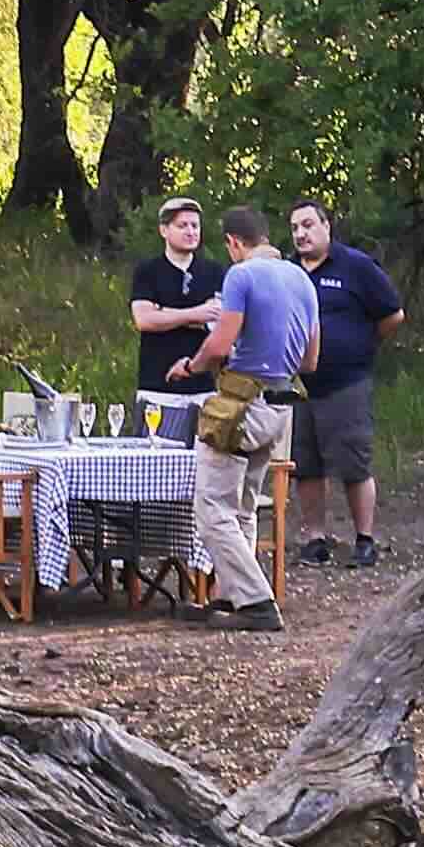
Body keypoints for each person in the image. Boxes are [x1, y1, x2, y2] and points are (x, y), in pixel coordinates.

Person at [182, 222, 307, 626]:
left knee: (212, 507)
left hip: (242, 405)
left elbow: (219, 344)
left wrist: (191, 366)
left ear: (234, 243)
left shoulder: (241, 274)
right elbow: (311, 360)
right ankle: (235, 596)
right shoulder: (302, 278)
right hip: (281, 404)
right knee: (244, 506)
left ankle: (256, 602)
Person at [279, 197, 403, 566]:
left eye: (308, 225)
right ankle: (316, 538)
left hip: (346, 382)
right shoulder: (287, 272)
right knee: (305, 465)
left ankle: (364, 539)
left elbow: (392, 314)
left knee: (353, 463)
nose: (301, 234)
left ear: (326, 226)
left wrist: (362, 344)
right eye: (295, 228)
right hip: (297, 386)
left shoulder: (355, 266)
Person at [124, 195, 231, 413]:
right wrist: (196, 314)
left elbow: (219, 323)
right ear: (164, 230)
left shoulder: (215, 272)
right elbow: (144, 320)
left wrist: (165, 312)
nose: (191, 232)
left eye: (195, 226)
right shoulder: (148, 271)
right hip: (157, 389)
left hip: (203, 391)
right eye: (182, 226)